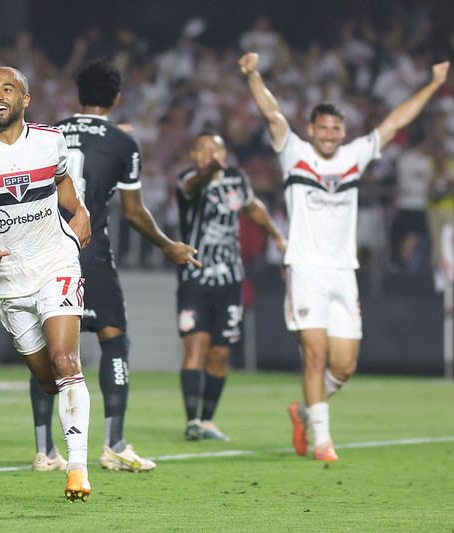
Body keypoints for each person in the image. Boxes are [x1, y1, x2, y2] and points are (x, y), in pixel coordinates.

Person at [239, 51, 450, 461]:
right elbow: (272, 113)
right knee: (315, 354)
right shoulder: (295, 152)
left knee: (345, 366)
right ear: (313, 130)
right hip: (305, 268)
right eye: (324, 128)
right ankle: (323, 441)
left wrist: (433, 85)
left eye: (337, 128)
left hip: (343, 272)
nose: (331, 134)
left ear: (343, 131)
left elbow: (395, 122)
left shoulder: (354, 156)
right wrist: (252, 75)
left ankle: (302, 412)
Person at [25, 58, 198, 474]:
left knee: (49, 347)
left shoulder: (47, 134)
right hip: (90, 251)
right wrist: (169, 245)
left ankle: (45, 450)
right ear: (117, 99)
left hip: (45, 249)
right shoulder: (122, 142)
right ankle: (114, 444)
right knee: (114, 339)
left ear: (77, 96)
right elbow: (135, 214)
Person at [0, 66, 93, 502]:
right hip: (8, 279)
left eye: (7, 89)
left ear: (26, 99)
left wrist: (78, 211)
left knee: (66, 362)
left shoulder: (50, 141)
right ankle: (69, 446)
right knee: (47, 380)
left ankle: (78, 468)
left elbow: (63, 181)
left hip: (56, 262)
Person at [176, 130, 286, 442]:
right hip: (195, 279)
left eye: (213, 149)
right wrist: (209, 170)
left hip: (230, 281)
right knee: (195, 346)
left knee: (221, 353)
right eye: (201, 149)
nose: (206, 154)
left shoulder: (237, 179)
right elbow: (192, 186)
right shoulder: (187, 181)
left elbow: (252, 207)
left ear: (224, 154)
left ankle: (209, 420)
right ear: (194, 156)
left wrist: (277, 234)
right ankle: (192, 421)